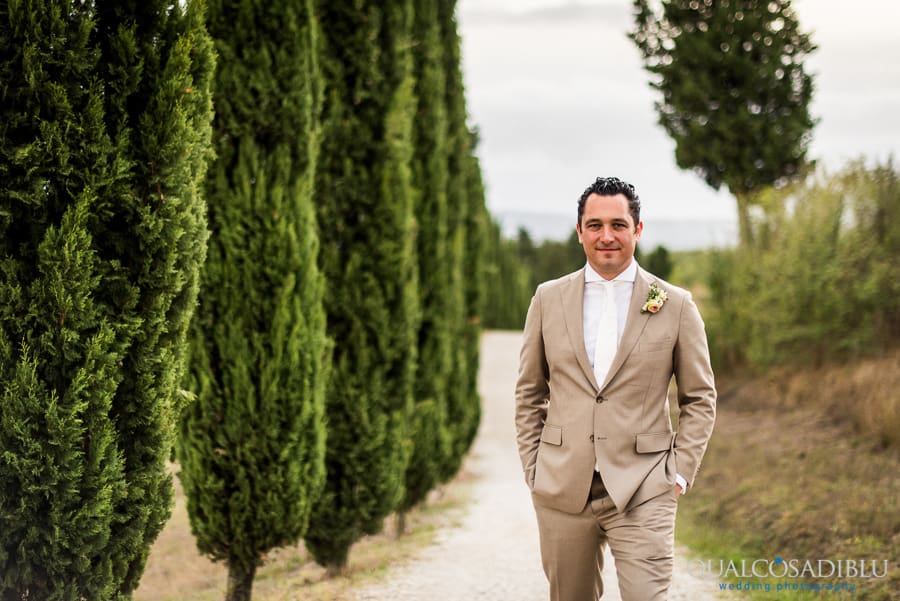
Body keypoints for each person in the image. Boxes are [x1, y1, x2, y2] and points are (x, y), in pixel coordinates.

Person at [515, 176, 716, 601]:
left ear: (638, 230)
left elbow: (699, 398)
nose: (607, 236)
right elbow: (529, 392)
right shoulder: (547, 299)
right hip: (561, 485)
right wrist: (535, 467)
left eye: (619, 225)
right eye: (595, 225)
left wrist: (678, 473)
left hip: (645, 486)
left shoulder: (675, 304)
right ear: (579, 231)